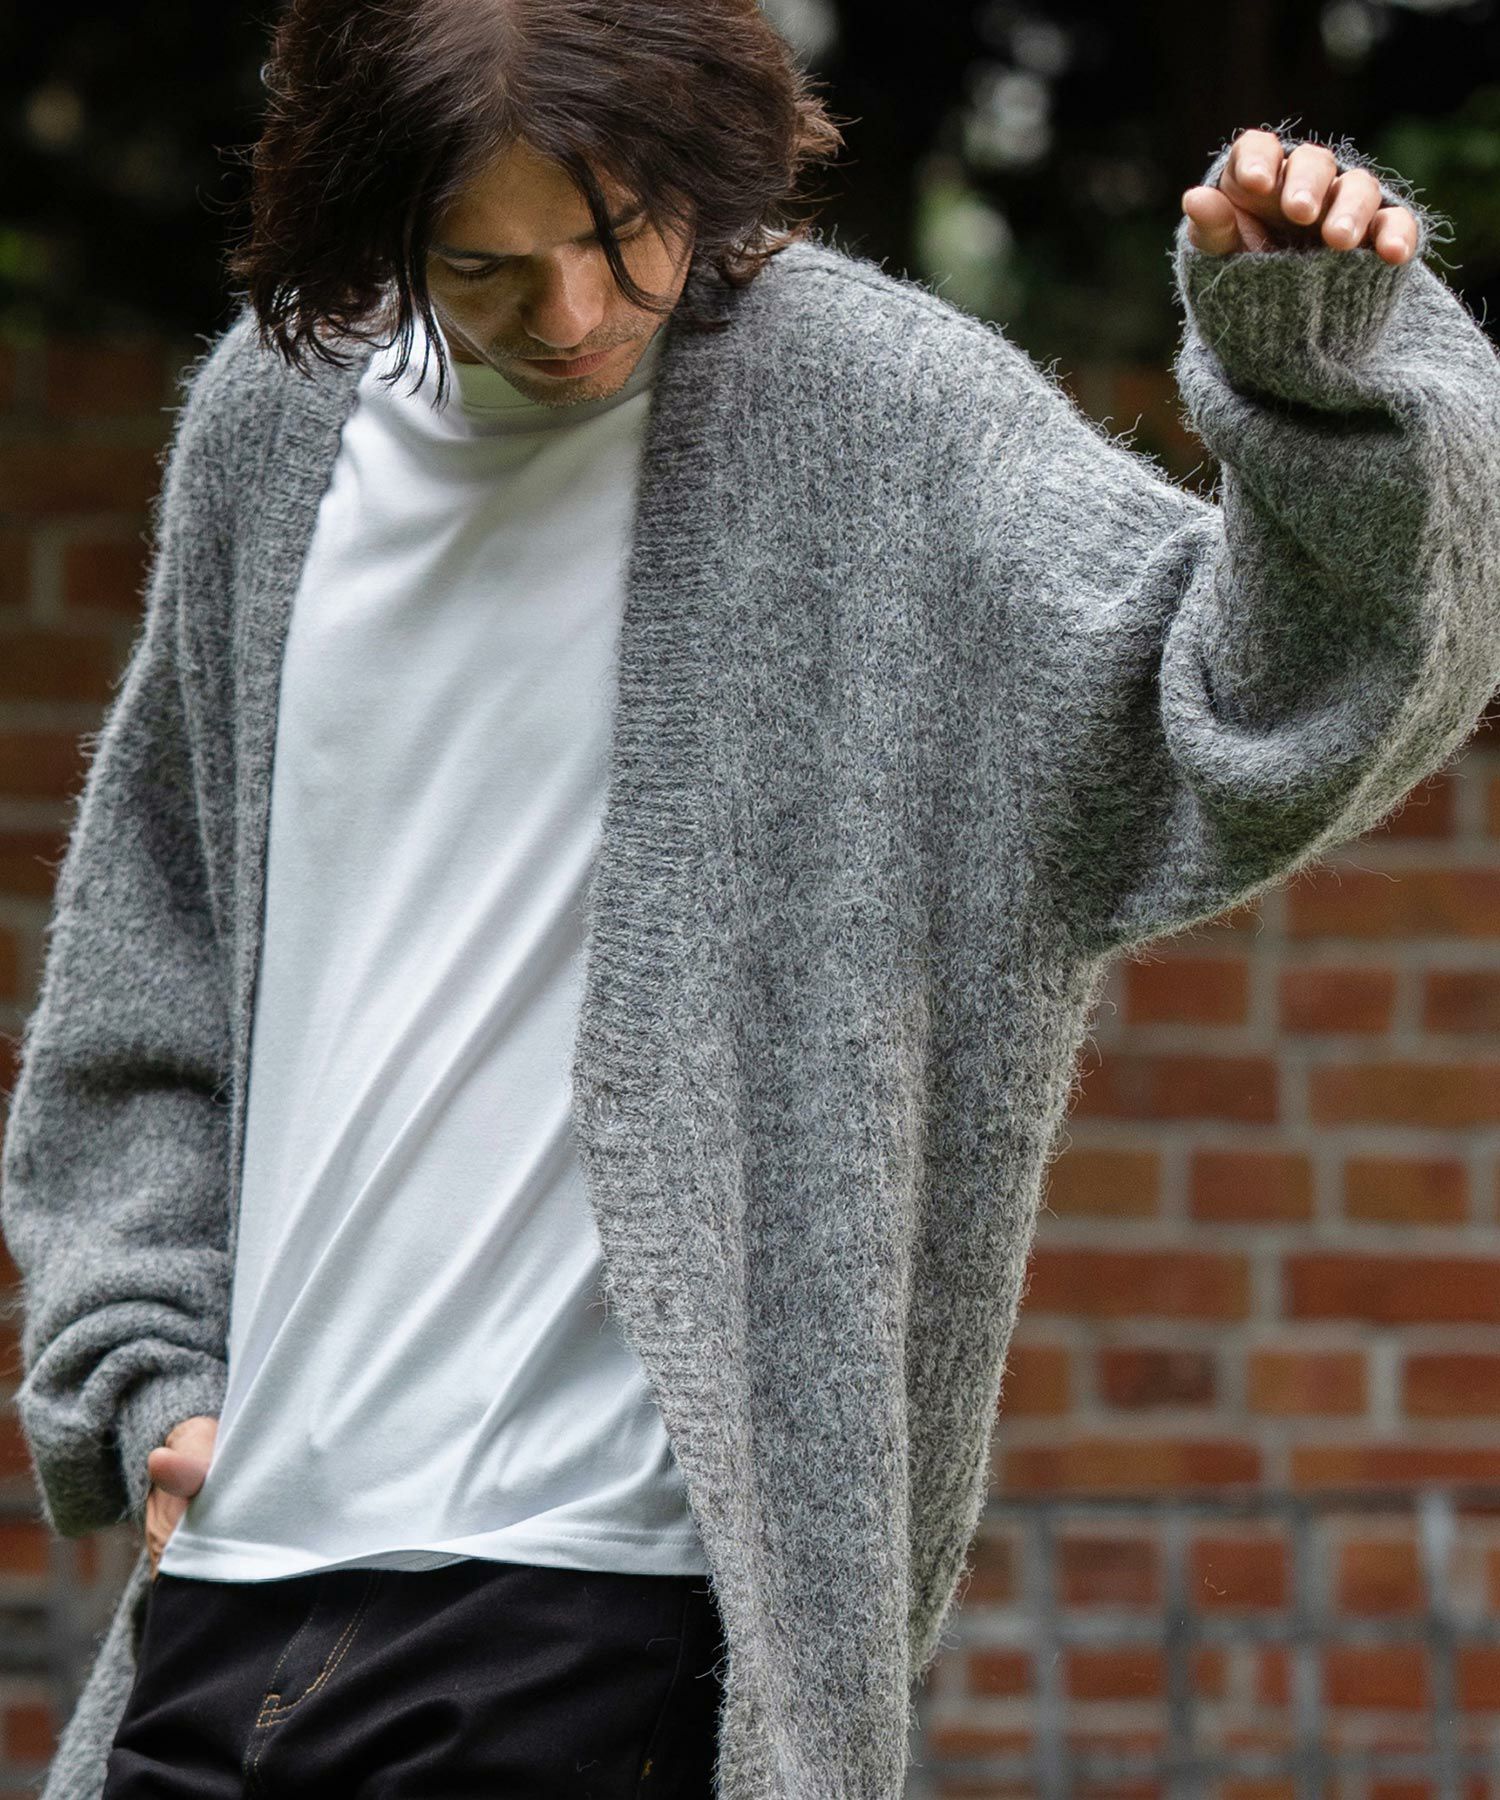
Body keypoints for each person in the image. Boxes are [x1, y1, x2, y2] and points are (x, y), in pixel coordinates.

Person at [4, 0, 1499, 1795]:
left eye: (620, 231)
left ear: (702, 164)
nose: (569, 313)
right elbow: (148, 968)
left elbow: (1265, 708)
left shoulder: (880, 419)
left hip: (606, 1604)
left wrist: (1320, 369)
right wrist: (148, 1366)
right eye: (482, 266)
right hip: (237, 1578)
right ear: (365, 228)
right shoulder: (272, 429)